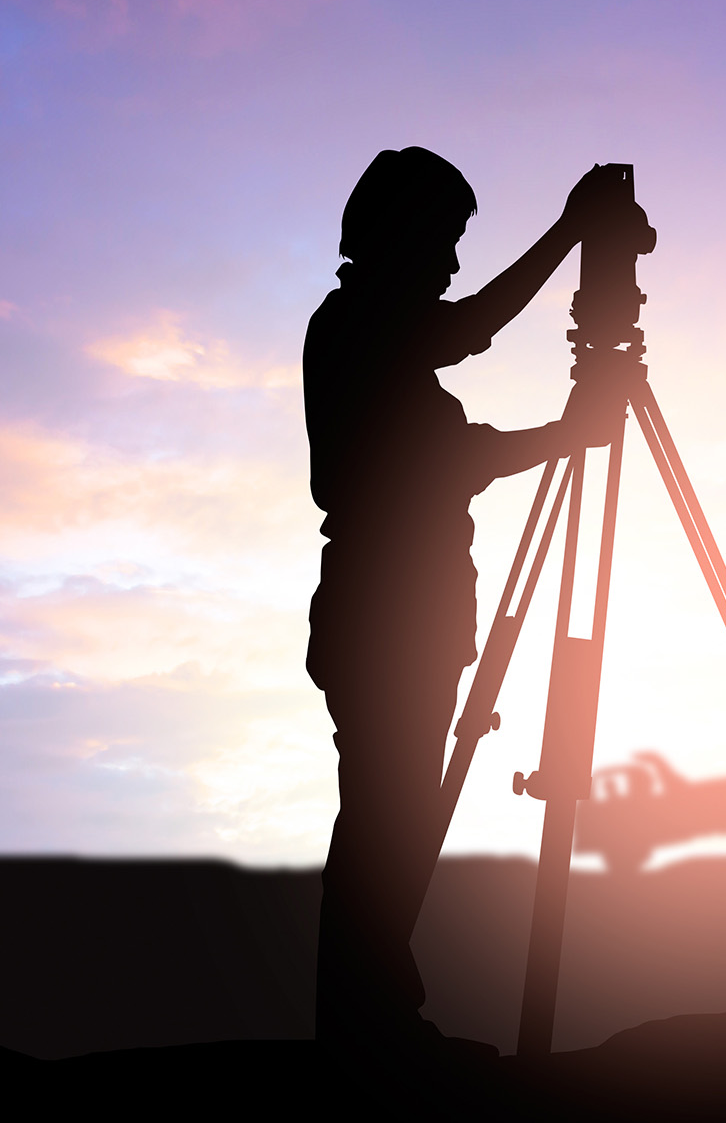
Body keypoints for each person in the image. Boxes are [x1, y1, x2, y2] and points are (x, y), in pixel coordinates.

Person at [303, 147, 632, 1052]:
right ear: (398, 237)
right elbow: (462, 400)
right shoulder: (357, 325)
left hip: (400, 622)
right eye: (443, 241)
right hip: (384, 624)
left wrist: (563, 435)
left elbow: (456, 435)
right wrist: (569, 234)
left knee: (393, 823)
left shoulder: (372, 337)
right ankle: (369, 1031)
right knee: (387, 826)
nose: (451, 263)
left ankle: (372, 1019)